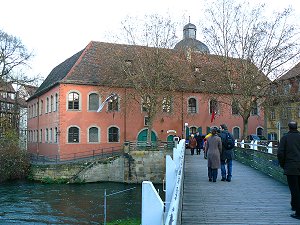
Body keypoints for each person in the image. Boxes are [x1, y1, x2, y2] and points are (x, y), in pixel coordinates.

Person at [277, 121, 300, 220]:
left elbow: (280, 153)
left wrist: (283, 164)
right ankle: (295, 206)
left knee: (294, 189)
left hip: (291, 167)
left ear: (289, 127)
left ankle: (297, 210)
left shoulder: (285, 138)